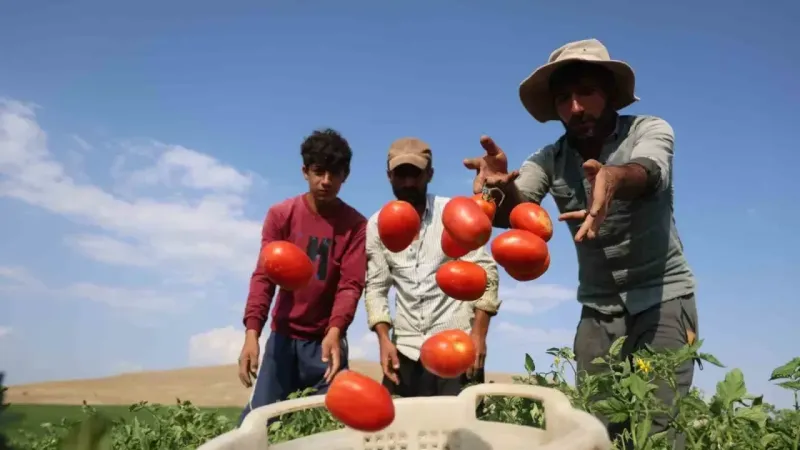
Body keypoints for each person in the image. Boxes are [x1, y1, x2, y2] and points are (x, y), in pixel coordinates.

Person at [464, 39, 698, 448]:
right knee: (595, 426)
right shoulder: (549, 159)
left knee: (658, 427)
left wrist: (612, 178)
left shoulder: (649, 129)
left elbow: (649, 170)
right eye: (564, 98)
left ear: (608, 93)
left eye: (586, 92)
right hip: (597, 307)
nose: (576, 107)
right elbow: (517, 212)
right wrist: (496, 192)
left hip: (662, 297)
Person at [237, 128, 367, 424]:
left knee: (329, 426)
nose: (326, 181)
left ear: (345, 175)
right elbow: (263, 277)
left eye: (334, 173)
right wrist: (252, 334)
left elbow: (350, 284)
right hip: (282, 339)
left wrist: (336, 331)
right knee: (259, 424)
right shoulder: (282, 215)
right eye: (319, 171)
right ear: (304, 171)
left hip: (325, 342)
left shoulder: (355, 225)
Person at [365, 137, 501, 398]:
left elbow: (485, 274)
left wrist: (478, 336)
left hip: (456, 347)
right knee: (399, 433)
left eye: (415, 174)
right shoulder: (376, 225)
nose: (407, 183)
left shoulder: (453, 213)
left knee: (459, 432)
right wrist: (383, 341)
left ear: (430, 174)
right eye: (400, 174)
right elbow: (376, 288)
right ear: (388, 176)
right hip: (405, 350)